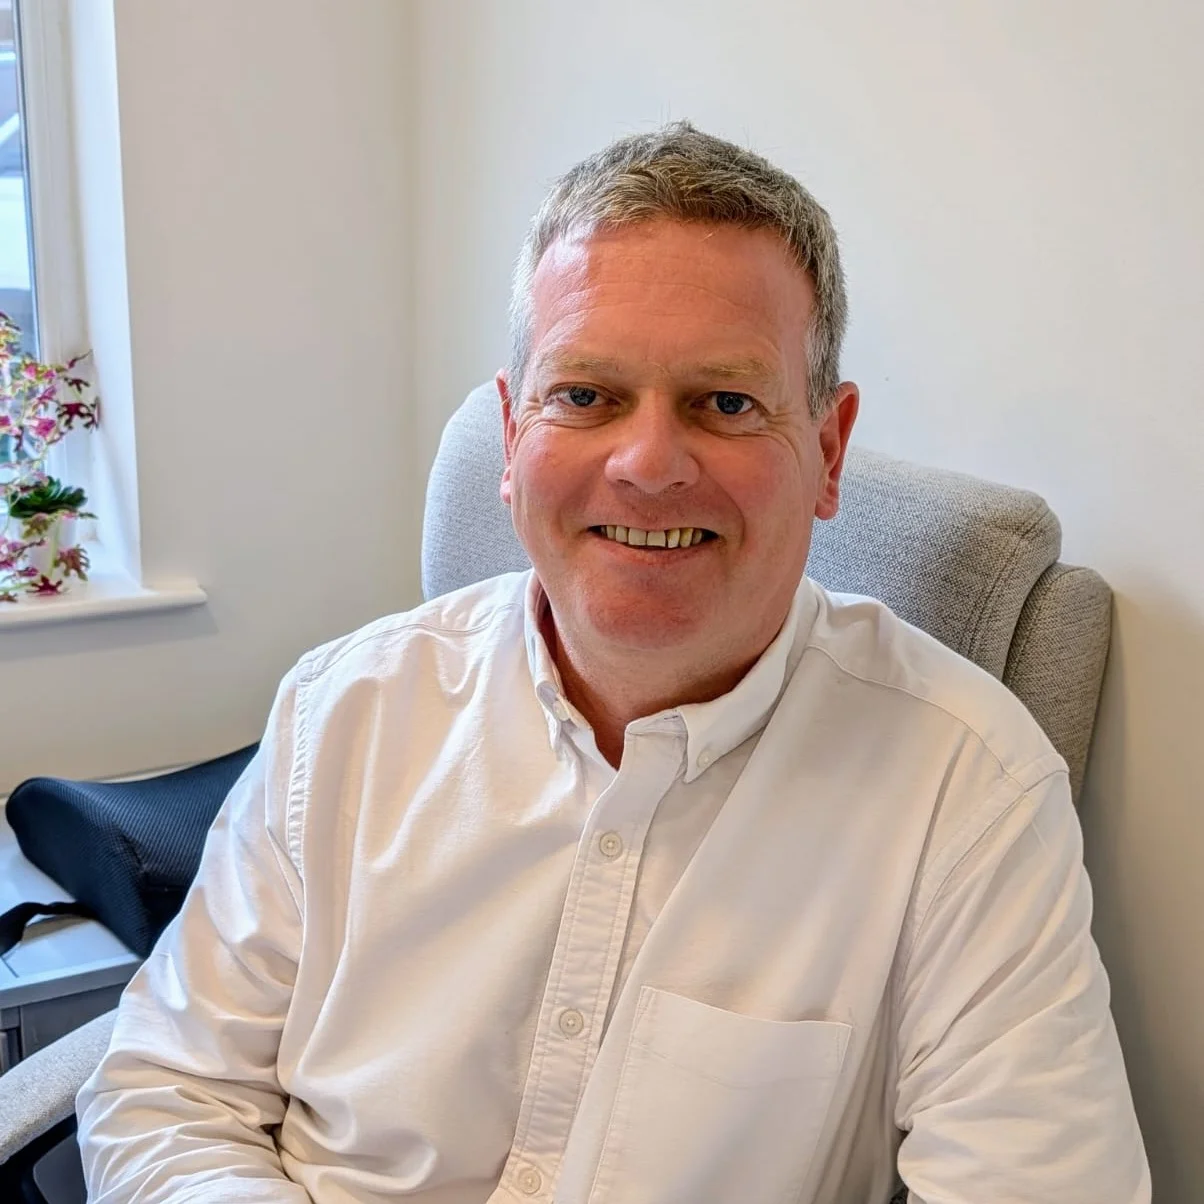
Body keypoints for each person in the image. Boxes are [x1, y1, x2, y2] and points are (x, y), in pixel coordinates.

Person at [77, 122, 1150, 1204]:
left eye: (725, 402)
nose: (646, 464)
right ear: (509, 436)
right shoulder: (342, 711)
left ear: (826, 449)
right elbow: (167, 1090)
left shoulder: (966, 788)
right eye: (585, 395)